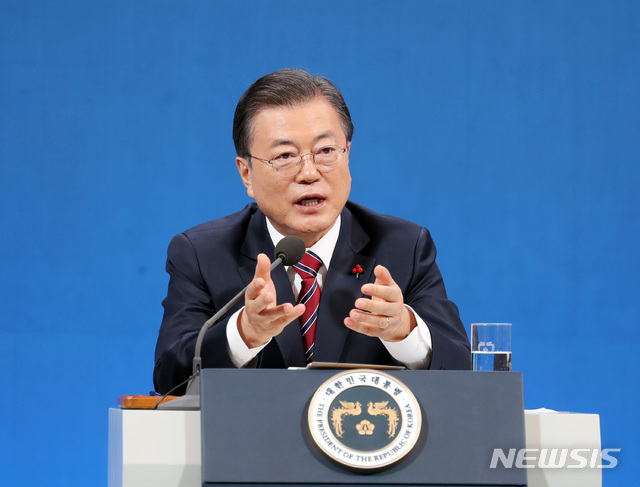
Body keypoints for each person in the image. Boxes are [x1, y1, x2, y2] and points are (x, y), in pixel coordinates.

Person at [154, 68, 470, 395]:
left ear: (348, 154)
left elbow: (463, 372)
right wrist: (244, 333)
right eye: (285, 156)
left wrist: (403, 330)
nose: (309, 173)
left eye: (326, 151)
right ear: (247, 174)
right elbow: (169, 379)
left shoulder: (403, 247)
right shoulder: (202, 253)